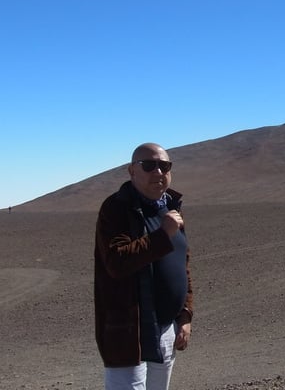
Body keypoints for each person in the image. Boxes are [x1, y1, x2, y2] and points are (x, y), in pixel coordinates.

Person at [94, 143, 193, 390]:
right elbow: (117, 262)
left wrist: (185, 315)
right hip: (128, 331)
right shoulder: (117, 208)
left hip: (166, 327)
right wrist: (162, 234)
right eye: (148, 165)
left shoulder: (171, 209)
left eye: (164, 166)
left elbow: (183, 266)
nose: (158, 172)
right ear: (132, 171)